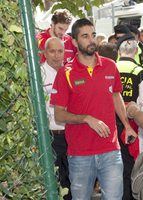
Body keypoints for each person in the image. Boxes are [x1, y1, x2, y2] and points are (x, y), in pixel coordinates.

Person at [50, 18, 137, 200]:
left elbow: (116, 96)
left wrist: (127, 125)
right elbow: (59, 114)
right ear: (74, 41)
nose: (91, 40)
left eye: (93, 35)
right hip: (80, 153)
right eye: (85, 36)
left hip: (110, 150)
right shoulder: (65, 72)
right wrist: (86, 118)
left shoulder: (110, 66)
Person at [41, 37, 71, 200]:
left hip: (71, 134)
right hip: (51, 136)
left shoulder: (69, 73)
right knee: (56, 181)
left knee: (72, 179)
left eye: (60, 51)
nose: (56, 55)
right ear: (45, 53)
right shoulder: (39, 74)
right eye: (52, 51)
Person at [116, 35, 143, 200]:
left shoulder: (111, 68)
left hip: (113, 122)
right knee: (133, 165)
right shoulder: (140, 71)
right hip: (133, 124)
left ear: (119, 51)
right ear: (135, 51)